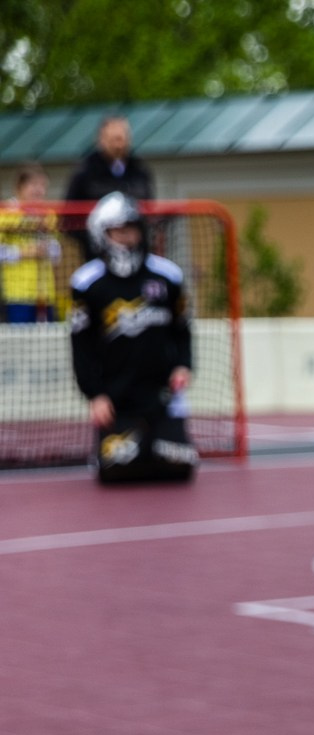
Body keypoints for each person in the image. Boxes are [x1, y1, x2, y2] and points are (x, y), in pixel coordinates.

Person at [69, 194, 198, 484]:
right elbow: (81, 346)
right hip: (117, 399)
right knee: (118, 470)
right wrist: (94, 395)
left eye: (132, 229)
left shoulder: (167, 275)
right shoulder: (87, 283)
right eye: (119, 231)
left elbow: (183, 329)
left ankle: (159, 437)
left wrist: (183, 365)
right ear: (102, 233)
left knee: (177, 467)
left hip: (162, 397)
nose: (127, 238)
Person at [64, 116, 154, 260]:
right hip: (97, 258)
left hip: (136, 257)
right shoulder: (85, 172)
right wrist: (96, 240)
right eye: (114, 139)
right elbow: (67, 219)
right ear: (101, 140)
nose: (119, 145)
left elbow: (149, 211)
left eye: (122, 138)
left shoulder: (140, 171)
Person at [1, 166, 65, 322]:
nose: (39, 190)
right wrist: (24, 252)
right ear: (19, 187)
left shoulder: (49, 215)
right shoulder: (5, 214)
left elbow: (58, 254)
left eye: (43, 186)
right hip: (17, 294)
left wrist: (48, 249)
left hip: (46, 294)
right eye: (34, 185)